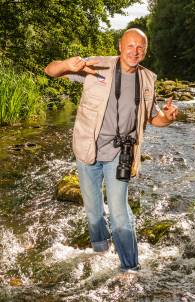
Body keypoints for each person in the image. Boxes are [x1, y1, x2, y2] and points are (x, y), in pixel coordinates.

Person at [44, 28, 178, 273]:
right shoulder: (97, 66)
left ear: (145, 51)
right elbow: (50, 71)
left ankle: (130, 268)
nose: (134, 51)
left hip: (121, 154)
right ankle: (100, 250)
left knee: (118, 211)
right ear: (120, 45)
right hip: (88, 149)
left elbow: (152, 118)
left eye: (140, 47)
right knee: (93, 210)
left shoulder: (148, 79)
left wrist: (167, 118)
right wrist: (66, 64)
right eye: (130, 45)